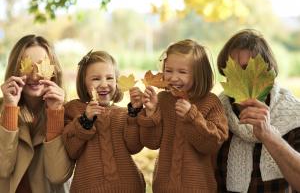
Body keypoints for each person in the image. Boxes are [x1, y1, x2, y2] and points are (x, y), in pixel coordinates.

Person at [130, 39, 228, 192]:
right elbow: (151, 142)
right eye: (168, 70)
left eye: (182, 72)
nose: (173, 77)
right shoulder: (163, 99)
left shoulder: (211, 102)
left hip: (199, 187)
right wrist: (151, 112)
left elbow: (213, 144)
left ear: (199, 74)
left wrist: (193, 117)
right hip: (164, 187)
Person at [216, 29, 300, 192]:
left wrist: (269, 135)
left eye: (248, 68)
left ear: (268, 72)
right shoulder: (215, 112)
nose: (241, 78)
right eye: (232, 69)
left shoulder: (293, 114)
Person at [62, 50, 145, 193]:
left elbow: (134, 146)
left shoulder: (123, 114)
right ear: (83, 82)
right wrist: (85, 120)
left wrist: (134, 113)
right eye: (96, 79)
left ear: (117, 81)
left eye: (109, 78)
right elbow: (71, 150)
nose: (104, 84)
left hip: (128, 186)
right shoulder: (73, 110)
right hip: (88, 188)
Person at [0, 35, 73, 193]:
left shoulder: (69, 113)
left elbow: (58, 175)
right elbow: (3, 168)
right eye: (27, 66)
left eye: (42, 66)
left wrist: (54, 114)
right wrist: (10, 108)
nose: (34, 76)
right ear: (15, 69)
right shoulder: (2, 109)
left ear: (53, 71)